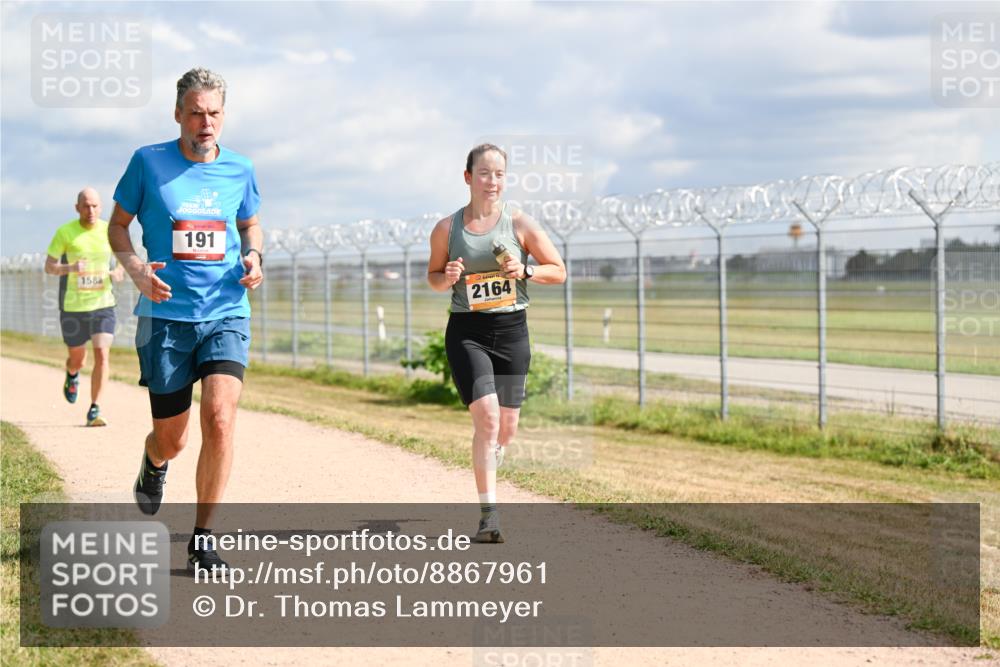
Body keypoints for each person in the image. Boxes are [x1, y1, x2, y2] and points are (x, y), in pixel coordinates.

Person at [108, 67, 264, 573]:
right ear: (177, 114)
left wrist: (255, 256)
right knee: (172, 438)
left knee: (219, 417)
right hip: (165, 319)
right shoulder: (147, 163)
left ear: (224, 115)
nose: (205, 123)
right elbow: (118, 227)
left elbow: (250, 223)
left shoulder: (240, 168)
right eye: (195, 113)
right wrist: (135, 268)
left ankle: (203, 538)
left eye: (214, 113)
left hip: (225, 310)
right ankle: (154, 462)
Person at [427, 144, 566, 543]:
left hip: (511, 333)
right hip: (467, 333)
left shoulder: (520, 224)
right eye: (485, 173)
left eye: (499, 174)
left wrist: (526, 269)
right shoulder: (445, 229)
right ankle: (490, 516)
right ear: (468, 177)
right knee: (486, 419)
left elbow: (559, 271)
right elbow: (433, 278)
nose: (492, 181)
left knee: (507, 427)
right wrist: (448, 275)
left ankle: (495, 449)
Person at [45, 188, 125, 426]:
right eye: (86, 206)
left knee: (102, 354)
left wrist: (119, 271)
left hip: (103, 304)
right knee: (78, 359)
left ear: (100, 208)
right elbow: (49, 266)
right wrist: (70, 268)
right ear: (77, 207)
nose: (90, 210)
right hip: (73, 307)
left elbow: (123, 258)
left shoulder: (109, 230)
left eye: (95, 206)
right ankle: (72, 373)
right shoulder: (65, 232)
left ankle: (95, 408)